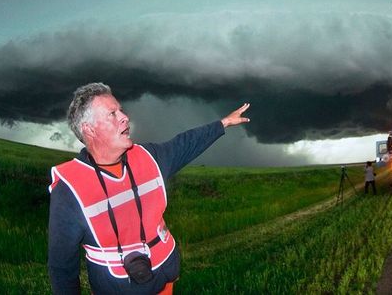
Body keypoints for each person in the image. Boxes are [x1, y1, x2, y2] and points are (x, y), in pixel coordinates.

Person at [48, 82, 250, 294]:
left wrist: (223, 123)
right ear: (89, 129)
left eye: (121, 110)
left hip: (165, 279)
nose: (125, 117)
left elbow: (186, 143)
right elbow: (62, 267)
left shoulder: (148, 157)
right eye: (112, 114)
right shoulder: (70, 188)